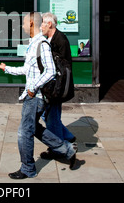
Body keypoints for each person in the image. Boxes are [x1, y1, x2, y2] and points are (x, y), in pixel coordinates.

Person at [0, 12, 77, 179]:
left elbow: (51, 71)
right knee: (34, 128)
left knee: (24, 132)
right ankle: (66, 149)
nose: (23, 26)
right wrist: (6, 68)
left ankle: (28, 168)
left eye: (24, 23)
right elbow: (27, 69)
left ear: (31, 23)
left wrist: (33, 87)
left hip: (36, 97)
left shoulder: (42, 44)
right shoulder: (33, 44)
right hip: (33, 95)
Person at [39, 12, 76, 160]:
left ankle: (58, 149)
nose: (40, 26)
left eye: (42, 23)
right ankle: (67, 136)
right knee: (48, 115)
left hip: (56, 86)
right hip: (50, 85)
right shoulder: (48, 38)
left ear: (49, 24)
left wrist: (57, 86)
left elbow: (65, 67)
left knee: (51, 117)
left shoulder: (61, 40)